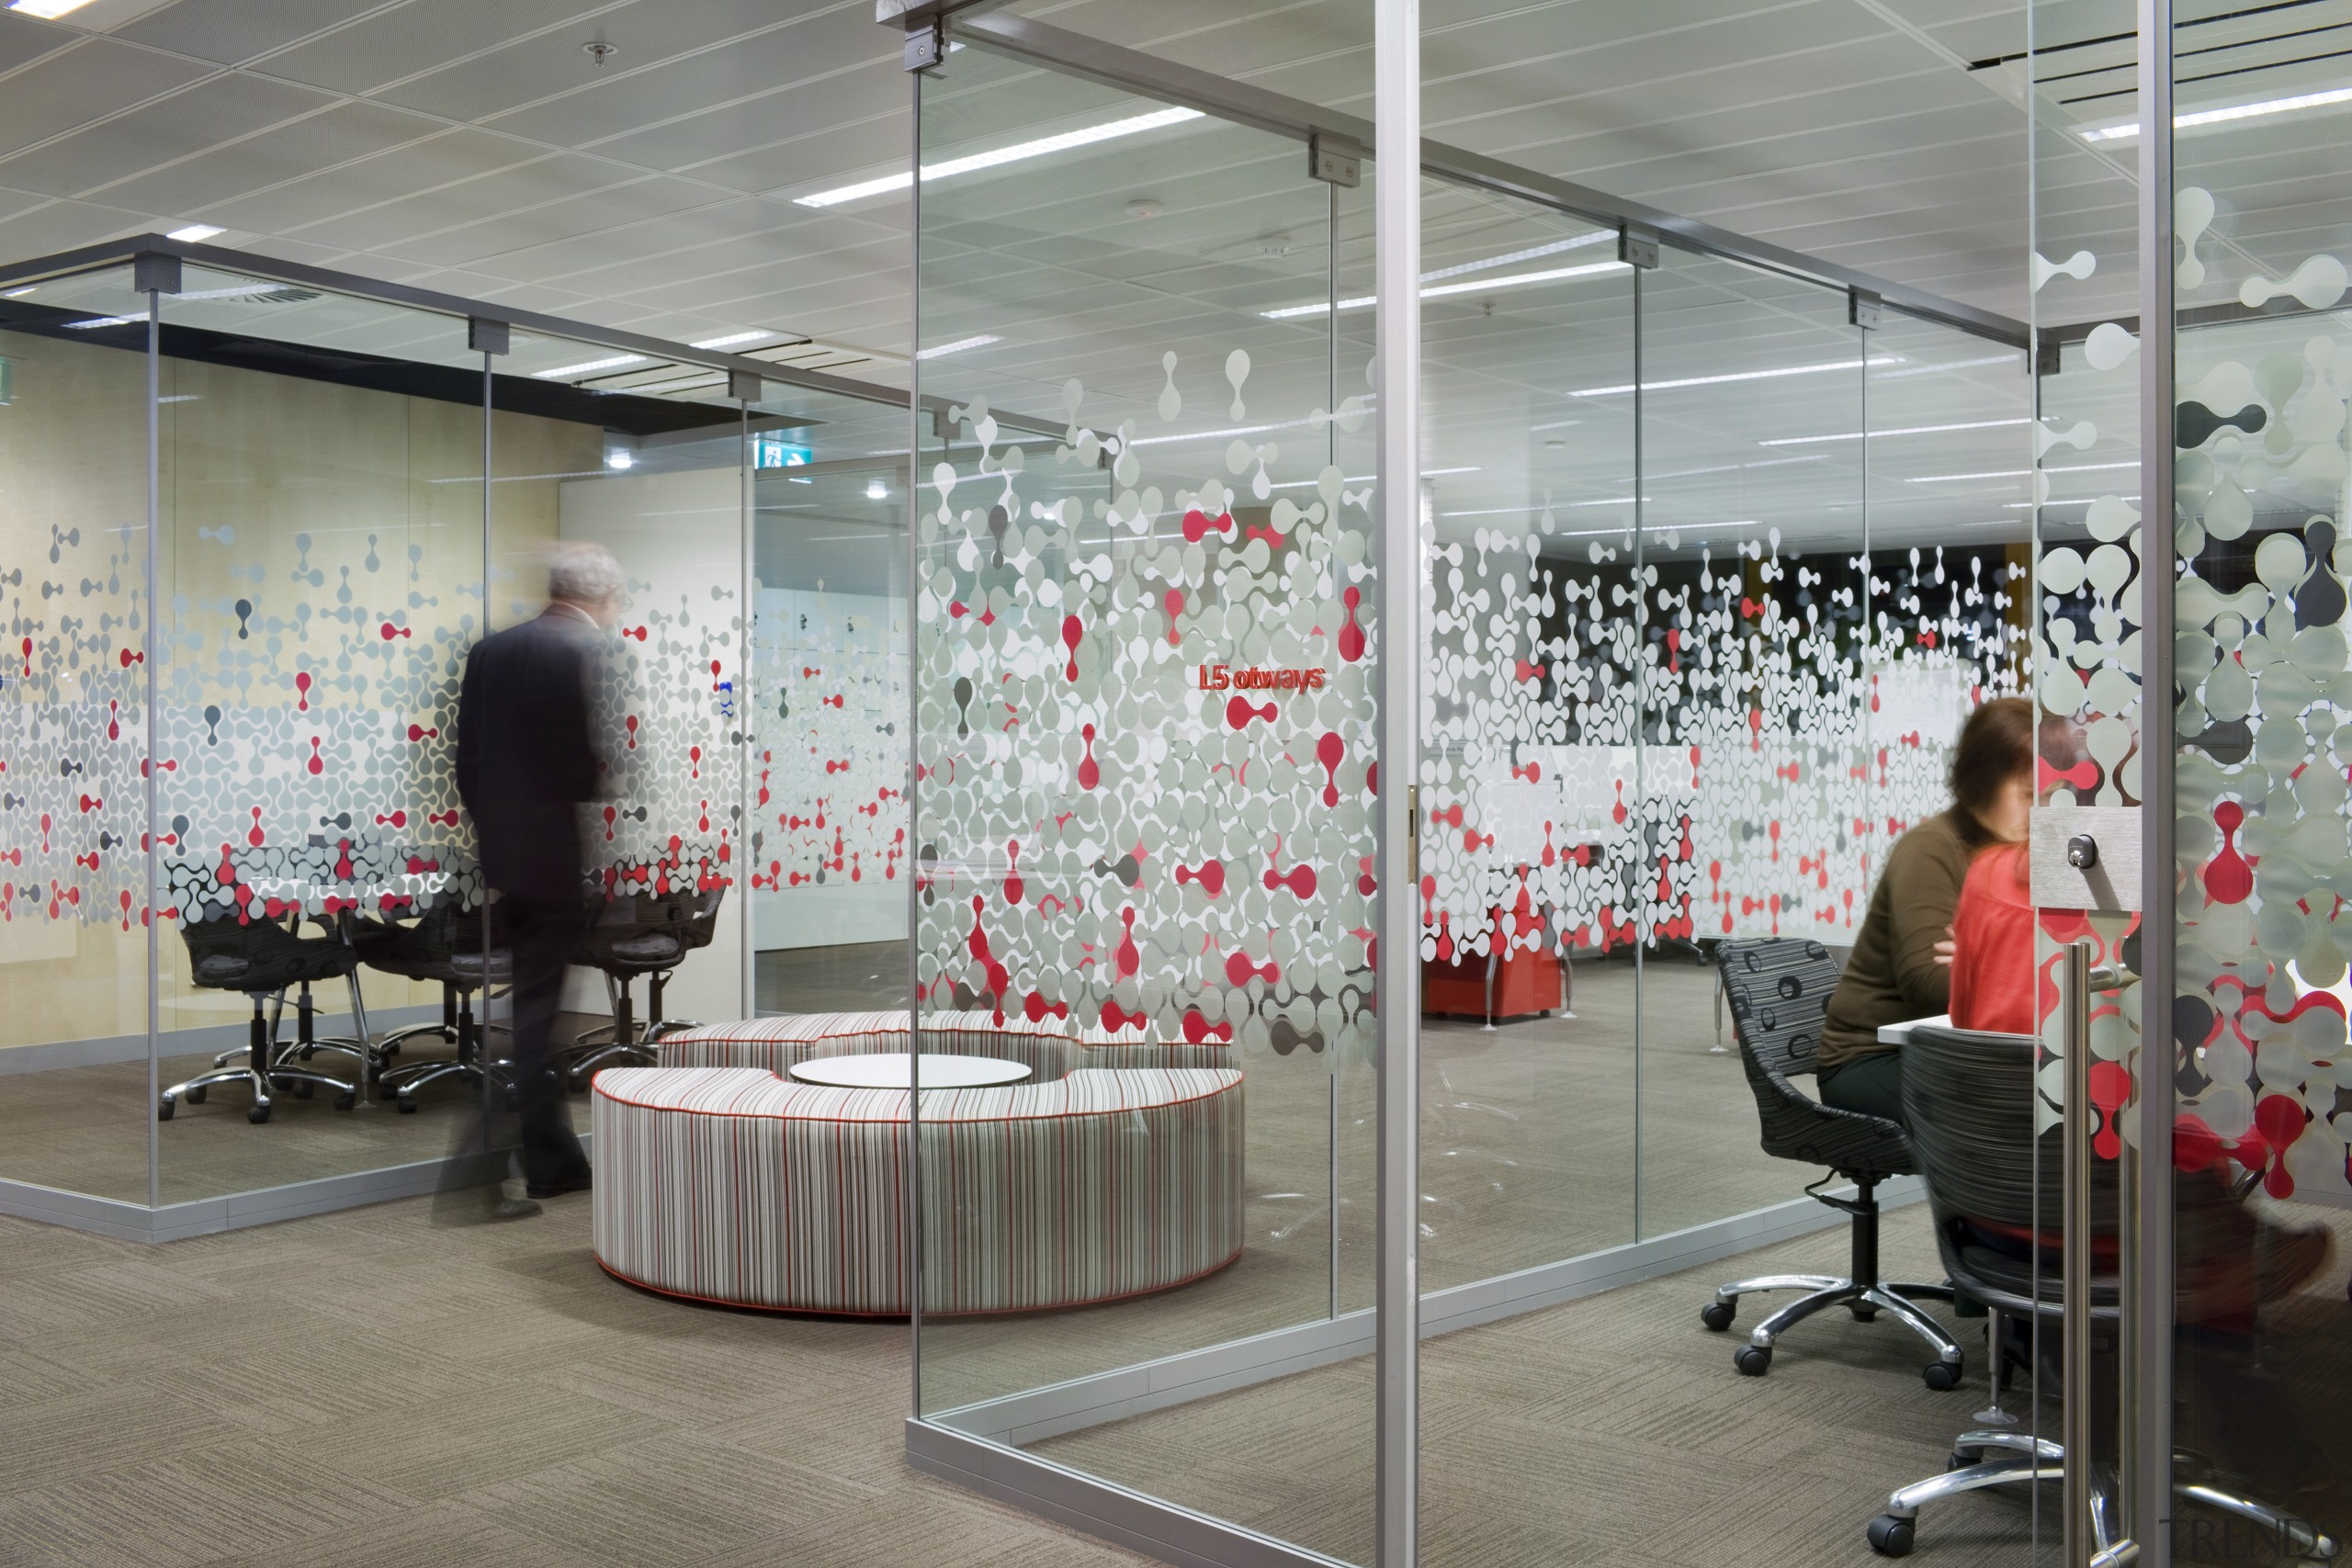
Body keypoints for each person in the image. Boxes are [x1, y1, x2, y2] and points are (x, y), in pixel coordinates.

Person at [453, 542, 617, 1212]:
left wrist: (497, 832)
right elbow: (580, 769)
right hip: (551, 860)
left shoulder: (492, 651)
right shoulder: (574, 652)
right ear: (600, 597)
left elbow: (467, 760)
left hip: (506, 857)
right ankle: (480, 1172)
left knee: (532, 1008)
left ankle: (553, 1161)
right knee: (534, 1014)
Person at [1815, 696, 2034, 1124]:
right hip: (1875, 1056)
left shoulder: (2022, 855)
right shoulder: (1932, 849)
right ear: (1983, 780)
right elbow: (1930, 982)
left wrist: (1981, 956)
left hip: (1966, 1050)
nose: (2040, 810)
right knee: (2017, 1116)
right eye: (2028, 794)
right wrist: (2012, 961)